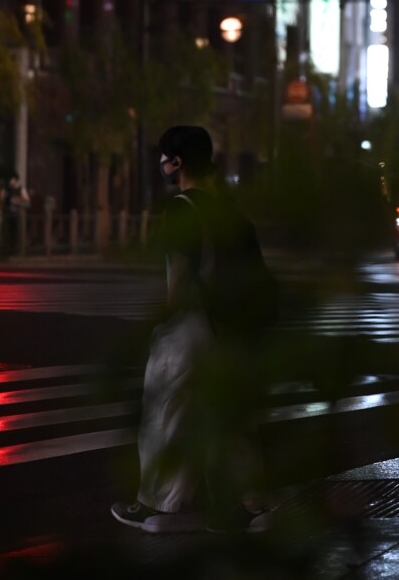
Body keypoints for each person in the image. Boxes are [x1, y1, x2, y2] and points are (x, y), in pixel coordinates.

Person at [111, 125, 277, 534]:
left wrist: (154, 323)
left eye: (164, 157)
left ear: (177, 163)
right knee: (234, 419)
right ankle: (253, 506)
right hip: (234, 331)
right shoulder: (234, 214)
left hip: (190, 330)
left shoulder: (180, 209)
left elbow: (178, 283)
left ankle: (157, 507)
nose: (162, 164)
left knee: (166, 414)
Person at [3, 175, 30, 254]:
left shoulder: (21, 189)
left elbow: (27, 202)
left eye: (13, 182)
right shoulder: (8, 191)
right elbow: (6, 201)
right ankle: (10, 248)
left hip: (18, 214)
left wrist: (18, 200)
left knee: (18, 232)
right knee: (10, 232)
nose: (12, 184)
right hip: (10, 214)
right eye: (11, 183)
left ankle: (19, 249)